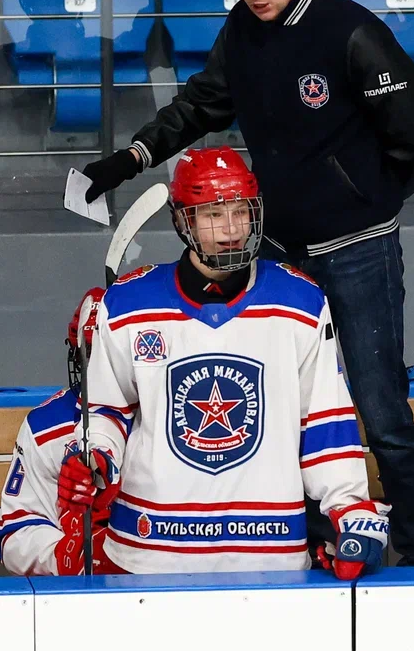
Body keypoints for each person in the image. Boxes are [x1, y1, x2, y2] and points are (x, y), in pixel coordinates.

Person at [79, 0, 414, 566]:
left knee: (382, 412)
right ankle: (316, 550)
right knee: (285, 411)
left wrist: (364, 204)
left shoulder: (352, 31)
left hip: (358, 253)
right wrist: (129, 157)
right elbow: (199, 105)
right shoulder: (242, 31)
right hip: (274, 254)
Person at [59, 147, 389, 577]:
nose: (232, 230)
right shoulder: (128, 302)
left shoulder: (300, 301)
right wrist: (93, 456)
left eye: (241, 212)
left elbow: (325, 418)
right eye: (214, 214)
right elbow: (106, 409)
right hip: (151, 550)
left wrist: (349, 506)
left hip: (269, 551)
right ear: (182, 220)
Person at [0, 288, 122, 576]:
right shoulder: (46, 426)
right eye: (92, 353)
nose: (103, 367)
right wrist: (64, 554)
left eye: (114, 355)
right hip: (79, 596)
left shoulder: (178, 418)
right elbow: (16, 531)